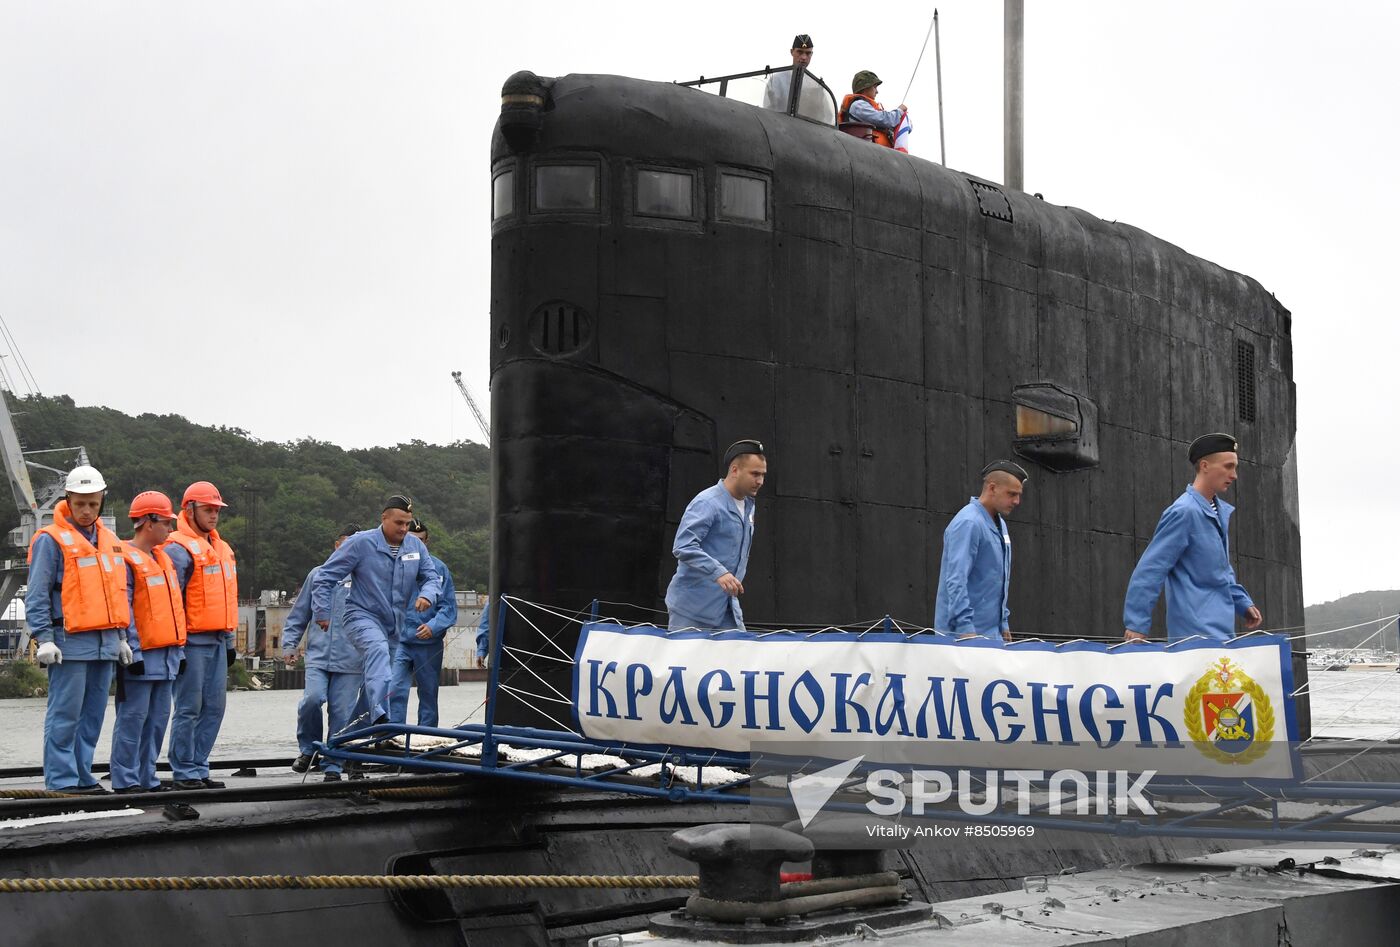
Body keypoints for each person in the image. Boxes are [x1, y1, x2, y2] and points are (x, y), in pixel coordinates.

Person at [25, 465, 133, 793]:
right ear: (68, 499)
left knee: (92, 717)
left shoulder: (111, 542)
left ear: (101, 500)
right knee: (65, 715)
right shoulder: (50, 540)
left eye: (93, 504)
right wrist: (43, 637)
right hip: (68, 643)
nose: (87, 511)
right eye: (81, 503)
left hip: (105, 644)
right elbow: (37, 592)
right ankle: (61, 781)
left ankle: (83, 775)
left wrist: (122, 638)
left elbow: (117, 593)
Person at [312, 495, 442, 726]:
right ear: (384, 518)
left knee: (384, 676)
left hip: (394, 626)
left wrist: (427, 594)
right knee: (377, 650)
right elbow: (324, 576)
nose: (404, 529)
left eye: (407, 524)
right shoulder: (361, 543)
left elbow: (431, 577)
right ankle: (382, 715)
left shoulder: (415, 547)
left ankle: (349, 736)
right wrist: (322, 611)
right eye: (399, 523)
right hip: (361, 615)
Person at [1123, 433, 1263, 643]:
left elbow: (1219, 571)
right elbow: (1150, 569)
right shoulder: (1184, 512)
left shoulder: (1216, 513)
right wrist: (1136, 623)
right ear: (1205, 466)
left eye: (1235, 467)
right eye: (1228, 466)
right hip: (1195, 636)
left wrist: (1242, 602)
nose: (1234, 475)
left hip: (1221, 633)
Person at [163, 480, 238, 791]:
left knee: (215, 708)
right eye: (208, 509)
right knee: (188, 708)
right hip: (192, 642)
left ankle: (199, 765)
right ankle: (184, 771)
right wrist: (177, 647)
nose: (214, 515)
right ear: (189, 509)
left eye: (216, 510)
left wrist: (231, 641)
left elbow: (228, 598)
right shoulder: (177, 549)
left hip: (219, 640)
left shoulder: (222, 548)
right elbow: (171, 602)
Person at [110, 491, 187, 794]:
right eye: (166, 522)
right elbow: (125, 607)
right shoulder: (126, 559)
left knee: (156, 722)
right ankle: (125, 780)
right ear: (147, 522)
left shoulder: (164, 559)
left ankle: (147, 778)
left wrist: (179, 652)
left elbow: (174, 609)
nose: (170, 528)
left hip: (167, 657)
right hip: (141, 658)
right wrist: (133, 648)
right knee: (132, 720)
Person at [281, 525, 364, 781]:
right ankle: (309, 749)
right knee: (312, 700)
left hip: (351, 661)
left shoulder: (365, 579)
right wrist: (290, 644)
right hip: (318, 657)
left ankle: (333, 765)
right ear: (336, 546)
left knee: (341, 714)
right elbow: (300, 613)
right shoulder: (318, 576)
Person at [665, 440, 766, 634]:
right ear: (735, 470)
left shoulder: (749, 506)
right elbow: (684, 546)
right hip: (692, 610)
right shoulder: (708, 503)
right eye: (755, 474)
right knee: (687, 663)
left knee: (738, 659)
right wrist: (719, 572)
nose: (760, 481)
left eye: (763, 475)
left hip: (727, 609)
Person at [933, 461, 1028, 642]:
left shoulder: (1000, 525)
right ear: (992, 488)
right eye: (1012, 494)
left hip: (990, 636)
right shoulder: (969, 523)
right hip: (963, 639)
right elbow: (955, 580)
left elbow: (995, 581)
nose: (1017, 501)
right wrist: (965, 629)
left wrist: (1003, 623)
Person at [388, 519, 458, 728]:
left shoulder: (439, 569)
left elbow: (448, 607)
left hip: (428, 643)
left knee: (428, 694)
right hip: (400, 640)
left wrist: (433, 627)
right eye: (412, 539)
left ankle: (426, 736)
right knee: (394, 689)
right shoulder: (394, 564)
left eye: (421, 540)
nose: (416, 543)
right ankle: (392, 735)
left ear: (427, 542)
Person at [839, 71, 908, 149]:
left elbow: (892, 125)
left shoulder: (863, 105)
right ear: (865, 87)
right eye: (875, 87)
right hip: (865, 151)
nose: (877, 91)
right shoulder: (858, 106)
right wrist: (899, 111)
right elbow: (886, 120)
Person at [762, 34, 816, 112]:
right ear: (792, 52)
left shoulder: (815, 85)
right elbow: (768, 112)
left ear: (812, 54)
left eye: (808, 53)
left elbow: (826, 117)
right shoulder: (777, 80)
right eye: (799, 52)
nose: (804, 57)